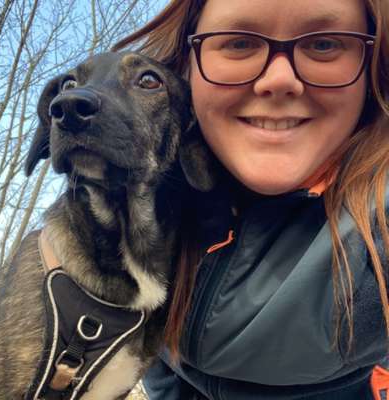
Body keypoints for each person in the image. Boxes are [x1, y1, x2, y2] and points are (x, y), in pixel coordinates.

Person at [113, 0, 389, 398]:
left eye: (325, 44)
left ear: (372, 67)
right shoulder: (142, 216)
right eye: (239, 43)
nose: (279, 79)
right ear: (186, 66)